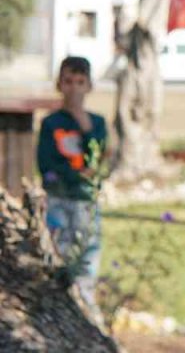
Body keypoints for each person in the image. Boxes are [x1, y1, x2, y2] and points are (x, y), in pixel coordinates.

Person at [37, 55, 109, 317]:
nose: (74, 88)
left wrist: (83, 121)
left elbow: (97, 156)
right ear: (59, 84)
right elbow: (47, 166)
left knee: (87, 258)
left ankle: (86, 310)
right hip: (58, 200)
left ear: (89, 86)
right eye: (68, 81)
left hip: (86, 201)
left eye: (80, 82)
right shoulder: (51, 123)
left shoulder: (97, 123)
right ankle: (60, 310)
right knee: (61, 256)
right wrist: (77, 175)